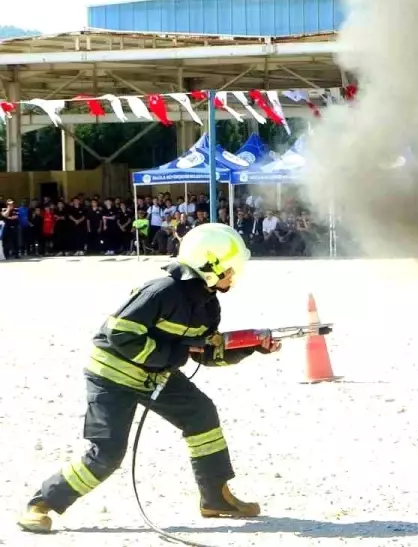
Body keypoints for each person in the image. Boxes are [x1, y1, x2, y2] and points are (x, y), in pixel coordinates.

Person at [16, 223, 281, 534]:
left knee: (201, 415)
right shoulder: (161, 292)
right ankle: (40, 504)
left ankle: (215, 499)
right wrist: (174, 354)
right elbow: (120, 335)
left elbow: (204, 354)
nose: (234, 276)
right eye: (230, 269)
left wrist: (250, 348)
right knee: (108, 453)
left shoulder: (208, 305)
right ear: (210, 266)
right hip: (112, 377)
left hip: (155, 375)